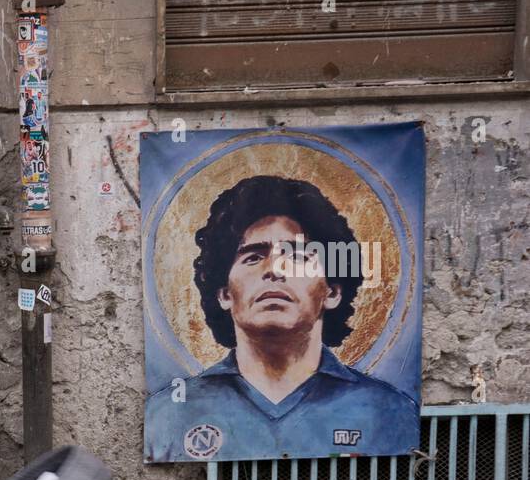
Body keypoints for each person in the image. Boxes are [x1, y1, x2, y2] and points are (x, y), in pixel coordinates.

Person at [146, 175, 418, 462]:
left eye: (298, 257)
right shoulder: (169, 413)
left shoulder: (387, 410)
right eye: (253, 257)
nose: (274, 269)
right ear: (225, 294)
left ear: (332, 292)